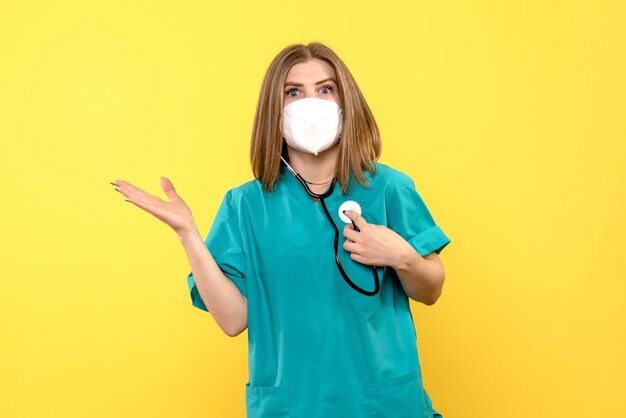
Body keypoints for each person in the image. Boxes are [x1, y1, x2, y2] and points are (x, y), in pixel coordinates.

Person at [111, 41, 451, 418]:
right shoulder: (245, 205)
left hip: (382, 405)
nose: (312, 103)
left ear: (345, 101)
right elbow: (233, 319)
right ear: (275, 109)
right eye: (294, 92)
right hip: (293, 407)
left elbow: (431, 288)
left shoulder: (389, 188)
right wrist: (188, 233)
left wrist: (402, 256)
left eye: (325, 89)